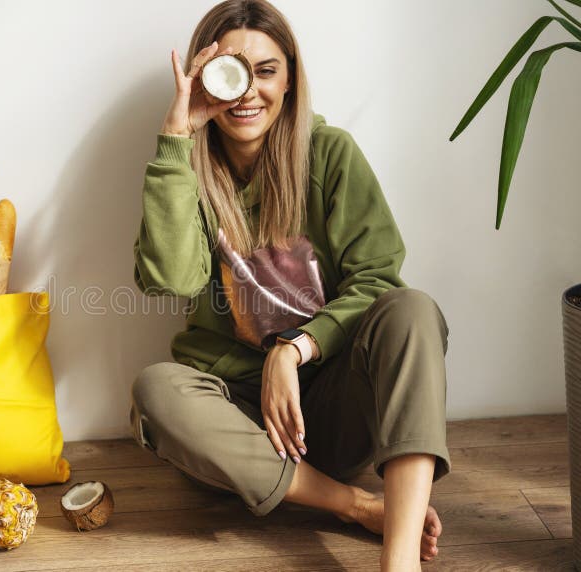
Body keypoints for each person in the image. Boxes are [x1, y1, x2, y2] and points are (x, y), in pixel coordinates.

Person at [129, 1, 451, 569]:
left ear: (292, 78)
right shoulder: (185, 169)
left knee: (412, 309)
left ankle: (398, 562)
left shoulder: (329, 154)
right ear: (203, 75)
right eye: (229, 69)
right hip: (239, 428)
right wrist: (176, 137)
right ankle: (352, 505)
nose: (248, 91)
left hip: (328, 403)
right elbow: (169, 279)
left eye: (267, 70)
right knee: (156, 389)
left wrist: (294, 348)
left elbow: (377, 278)